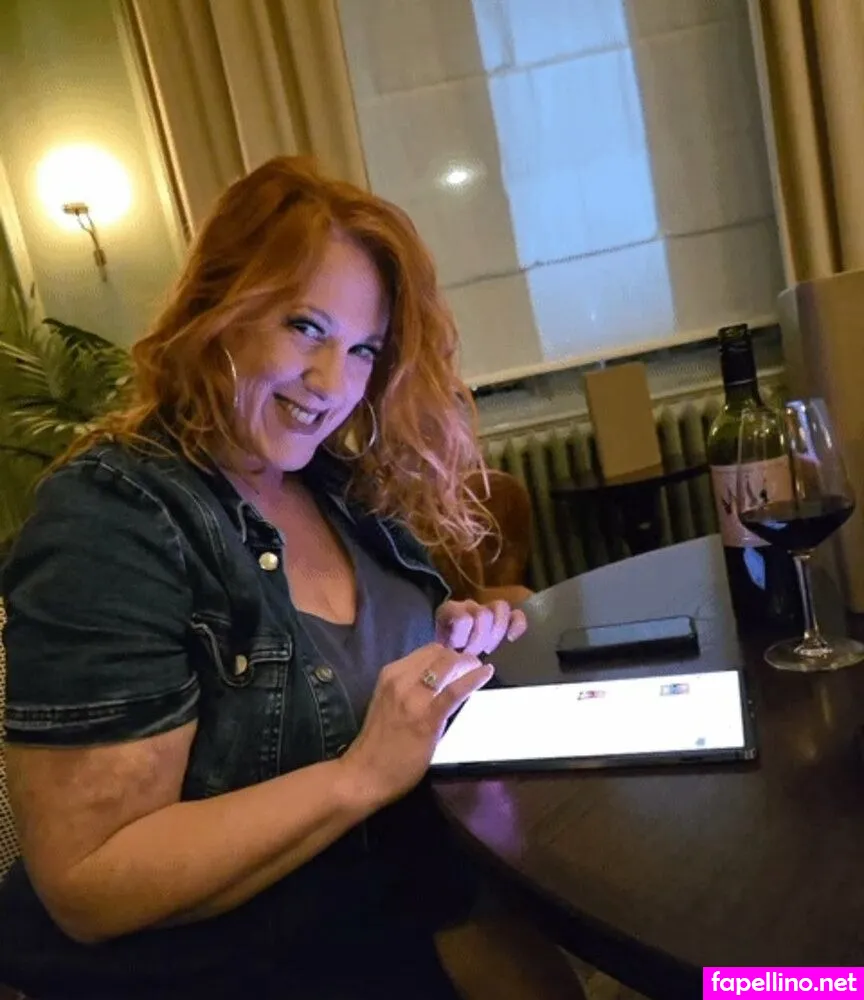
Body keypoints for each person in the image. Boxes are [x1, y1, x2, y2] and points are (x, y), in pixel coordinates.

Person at [0, 158, 583, 999]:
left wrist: (442, 639)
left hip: (429, 881)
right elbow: (91, 880)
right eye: (306, 327)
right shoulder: (112, 518)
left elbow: (342, 667)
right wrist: (359, 776)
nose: (331, 384)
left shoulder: (331, 483)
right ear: (219, 309)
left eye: (362, 350)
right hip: (253, 958)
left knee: (741, 958)